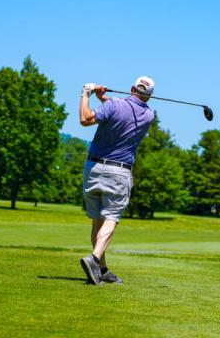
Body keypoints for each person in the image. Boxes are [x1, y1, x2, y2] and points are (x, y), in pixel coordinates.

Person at [79, 76, 155, 285]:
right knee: (111, 218)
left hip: (93, 168)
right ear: (150, 97)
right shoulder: (149, 115)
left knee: (97, 219)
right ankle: (94, 259)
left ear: (132, 88)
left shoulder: (114, 105)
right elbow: (124, 112)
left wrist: (87, 93)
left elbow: (85, 119)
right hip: (119, 173)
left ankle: (101, 270)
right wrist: (105, 99)